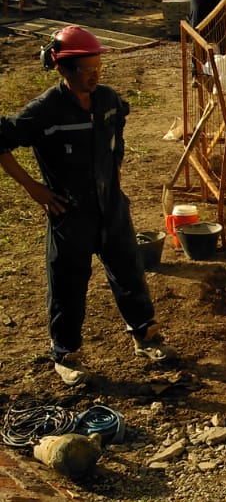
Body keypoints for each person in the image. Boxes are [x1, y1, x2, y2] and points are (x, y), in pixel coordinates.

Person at [0, 25, 175, 386]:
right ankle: (66, 353)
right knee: (68, 282)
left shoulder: (107, 100)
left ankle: (145, 335)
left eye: (99, 67)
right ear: (63, 69)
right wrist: (34, 189)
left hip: (111, 206)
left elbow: (118, 124)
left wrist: (116, 166)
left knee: (129, 270)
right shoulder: (44, 111)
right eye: (87, 70)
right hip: (70, 211)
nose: (95, 76)